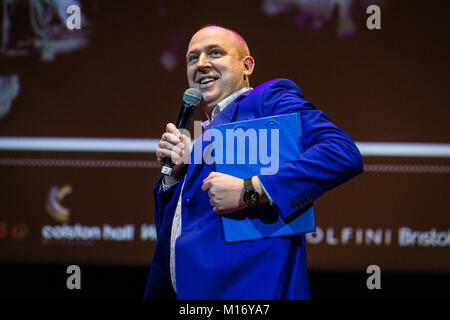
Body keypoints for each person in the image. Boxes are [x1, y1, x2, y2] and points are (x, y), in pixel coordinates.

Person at [144, 25, 363, 300]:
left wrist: (252, 189)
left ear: (246, 66)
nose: (201, 64)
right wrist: (175, 177)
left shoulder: (266, 100)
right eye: (192, 58)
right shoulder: (200, 138)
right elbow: (180, 226)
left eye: (215, 52)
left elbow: (341, 152)